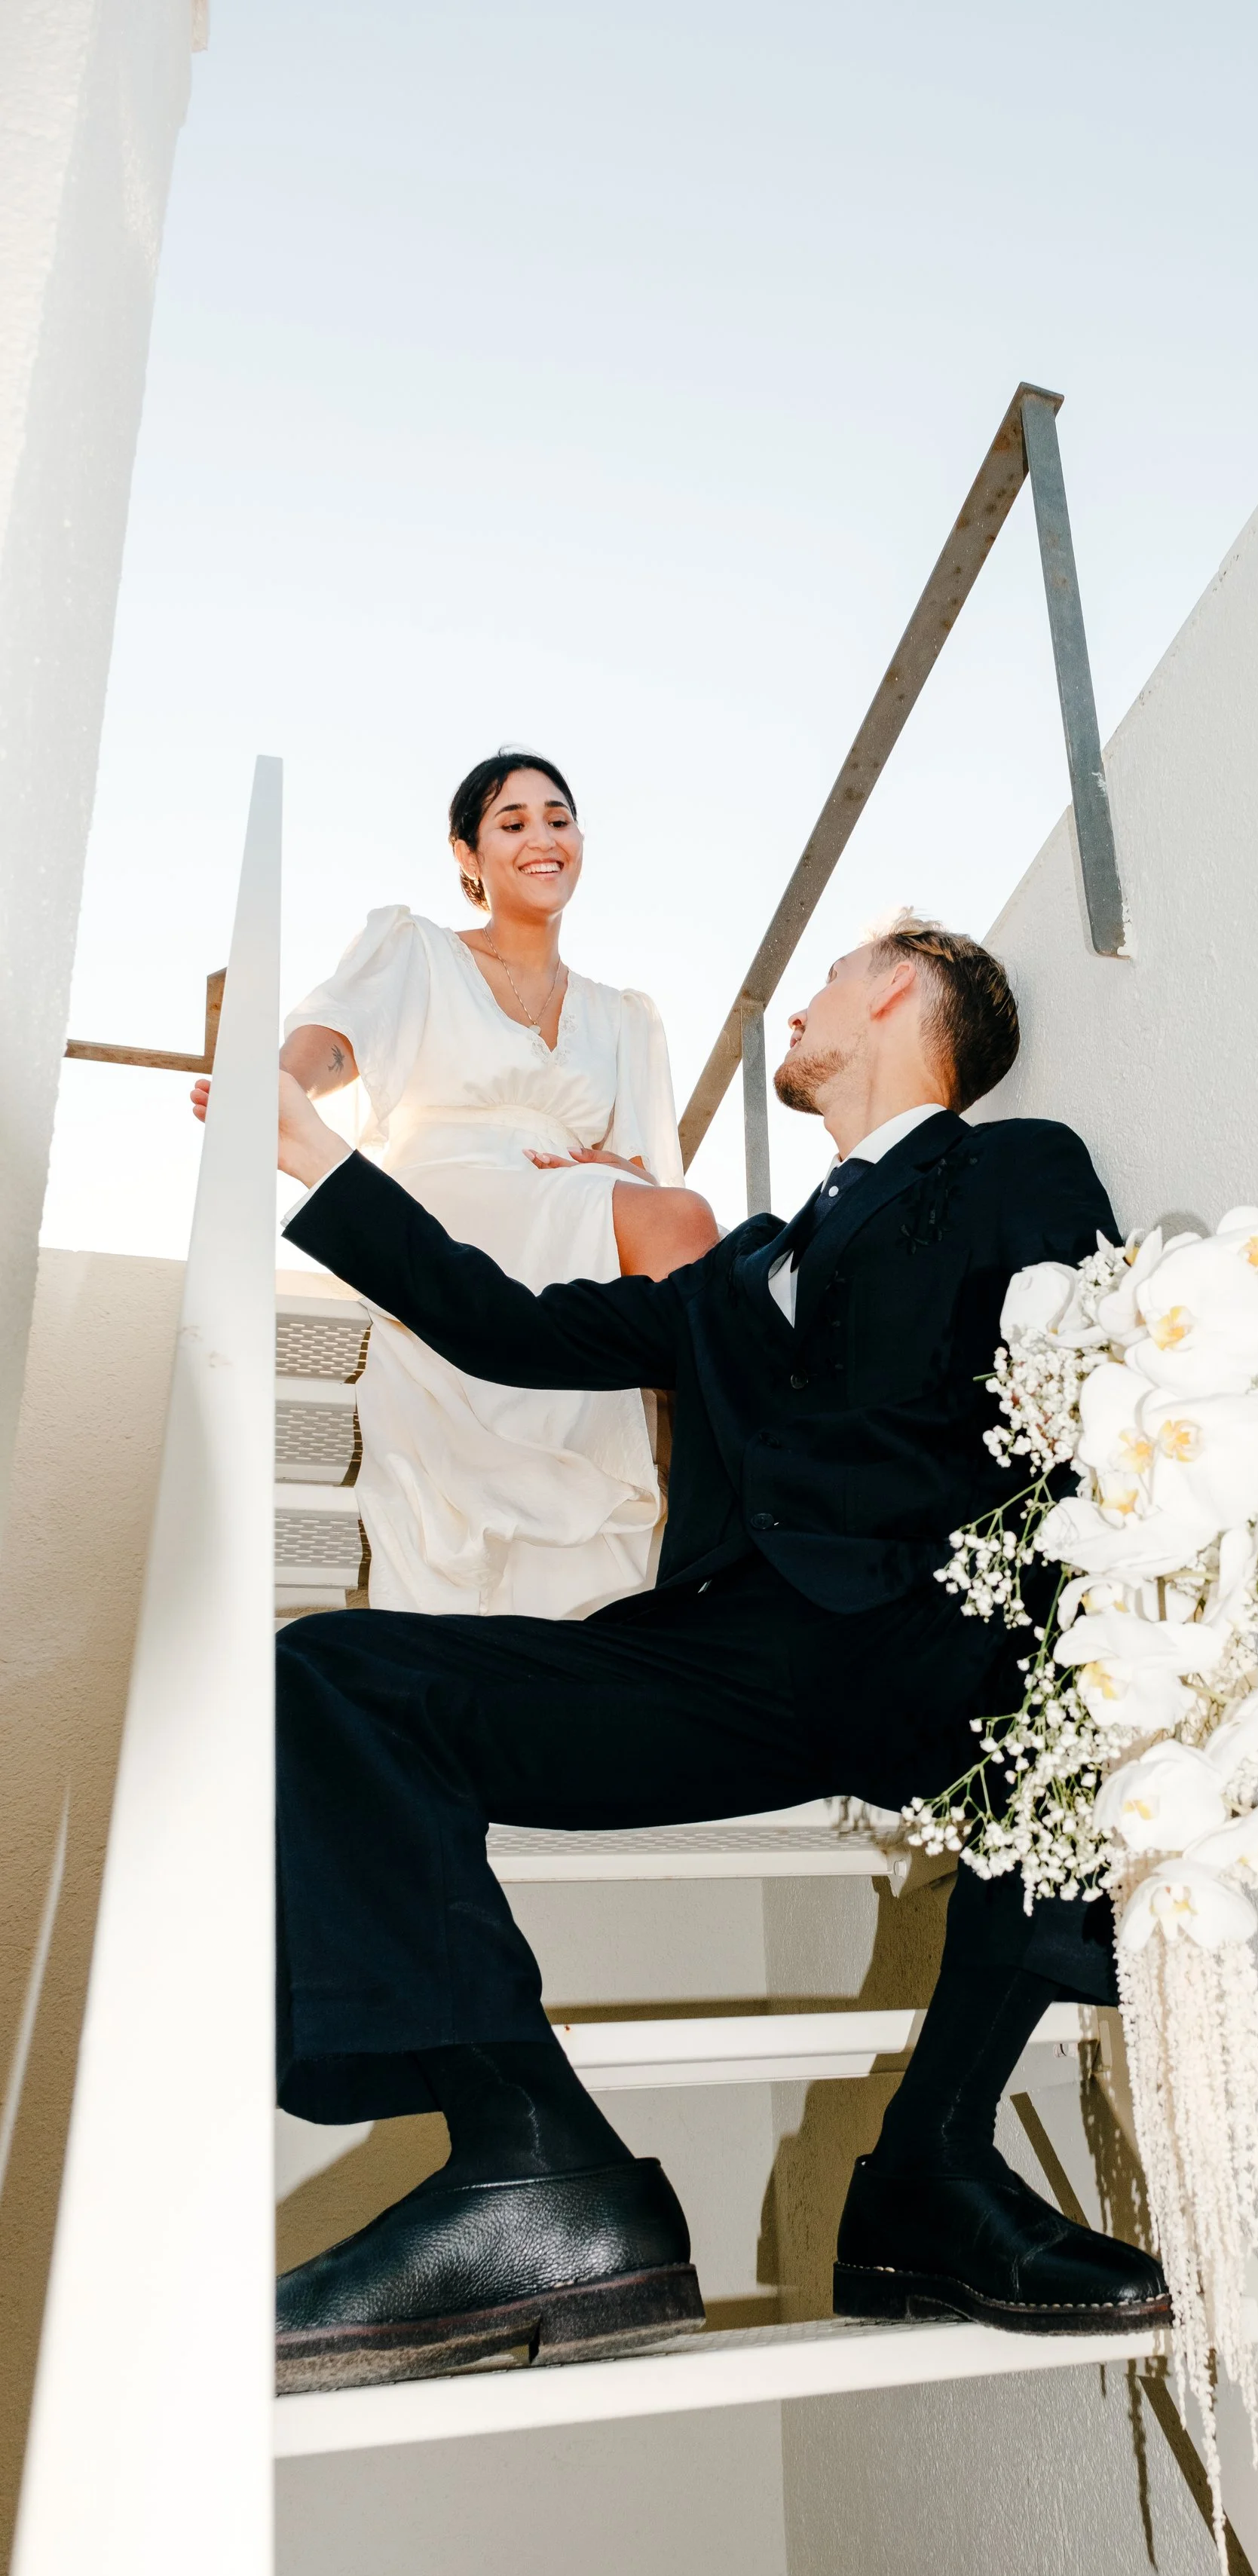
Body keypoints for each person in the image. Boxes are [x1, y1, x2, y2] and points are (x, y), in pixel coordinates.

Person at [271, 913, 1168, 2393]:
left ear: (897, 991)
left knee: (1079, 1680)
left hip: (929, 1631)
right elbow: (505, 1328)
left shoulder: (1011, 1167)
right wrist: (315, 1154)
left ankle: (932, 2171)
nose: (798, 1009)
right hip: (729, 1659)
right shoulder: (743, 1262)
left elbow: (1087, 1394)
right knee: (337, 1687)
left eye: (822, 982)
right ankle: (529, 2159)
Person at [271, 751, 716, 1617]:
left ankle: (694, 1506)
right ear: (466, 855)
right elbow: (334, 1035)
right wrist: (280, 1084)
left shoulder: (625, 1014)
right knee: (681, 1228)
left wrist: (614, 1172)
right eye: (512, 823)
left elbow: (647, 1173)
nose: (542, 837)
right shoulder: (418, 950)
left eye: (558, 818)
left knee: (682, 1222)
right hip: (448, 1190)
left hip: (575, 1205)